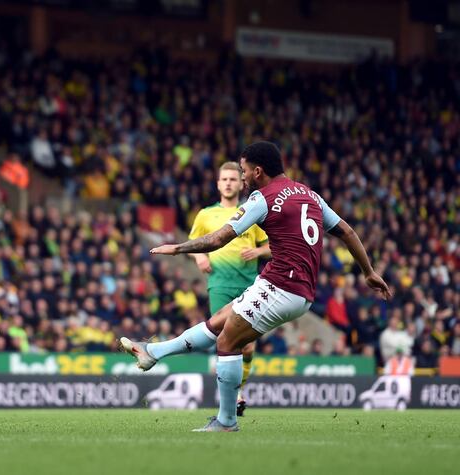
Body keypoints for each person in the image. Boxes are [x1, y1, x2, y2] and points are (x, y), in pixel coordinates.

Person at [121, 141, 391, 432]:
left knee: (227, 342)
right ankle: (153, 353)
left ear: (258, 171)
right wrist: (368, 271)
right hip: (297, 288)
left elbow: (217, 240)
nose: (243, 177)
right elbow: (347, 231)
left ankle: (226, 421)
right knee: (219, 320)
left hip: (281, 286)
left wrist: (176, 248)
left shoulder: (262, 198)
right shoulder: (310, 195)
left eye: (244, 171)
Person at [188, 161, 270, 416]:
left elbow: (272, 247)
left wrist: (257, 250)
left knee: (248, 347)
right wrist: (199, 257)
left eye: (233, 179)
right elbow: (194, 242)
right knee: (226, 340)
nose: (228, 183)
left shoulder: (251, 212)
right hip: (220, 285)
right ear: (217, 183)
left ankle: (236, 390)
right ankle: (234, 396)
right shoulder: (205, 215)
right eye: (224, 179)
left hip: (249, 286)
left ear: (241, 182)